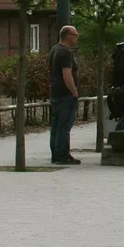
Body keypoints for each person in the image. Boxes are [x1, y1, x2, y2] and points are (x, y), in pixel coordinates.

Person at [47, 25, 80, 165]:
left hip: (55, 92)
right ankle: (62, 154)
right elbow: (67, 75)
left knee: (56, 125)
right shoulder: (66, 52)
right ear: (68, 36)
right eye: (75, 35)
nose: (76, 38)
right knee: (64, 125)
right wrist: (74, 92)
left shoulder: (55, 49)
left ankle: (55, 153)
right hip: (65, 94)